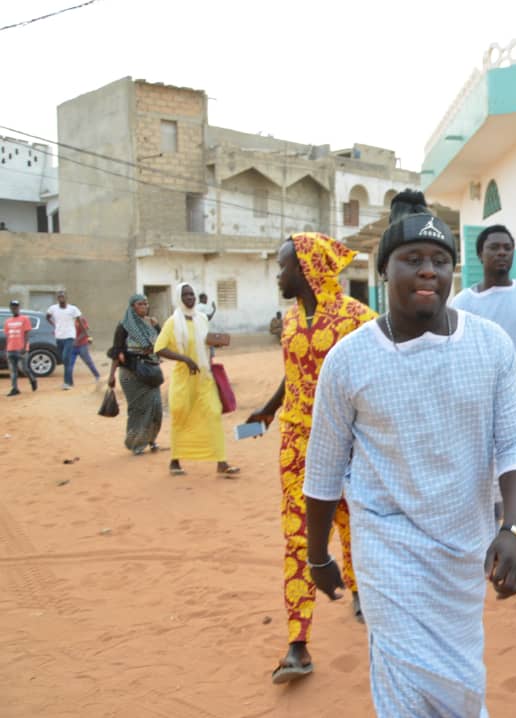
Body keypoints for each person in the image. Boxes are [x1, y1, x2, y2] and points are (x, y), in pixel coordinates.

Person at [303, 190, 516, 715]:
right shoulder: (349, 360)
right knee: (405, 679)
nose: (428, 270)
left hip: (463, 548)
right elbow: (322, 471)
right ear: (384, 270)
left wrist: (514, 529)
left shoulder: (490, 345)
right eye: (412, 259)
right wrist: (318, 555)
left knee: (460, 682)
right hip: (387, 547)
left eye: (440, 261)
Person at [245, 232, 378, 684]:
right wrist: (271, 406)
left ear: (306, 269)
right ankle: (298, 645)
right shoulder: (288, 320)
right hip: (297, 444)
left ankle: (361, 591)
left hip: (350, 443)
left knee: (352, 521)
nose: (278, 274)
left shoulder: (359, 319)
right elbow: (293, 372)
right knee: (299, 537)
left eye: (283, 266)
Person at [451, 223, 516, 587]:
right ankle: (485, 549)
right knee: (481, 483)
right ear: (480, 254)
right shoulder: (461, 304)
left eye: (508, 247)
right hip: (476, 413)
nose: (502, 253)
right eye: (494, 247)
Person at [154, 282, 240, 477]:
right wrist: (184, 359)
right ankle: (175, 461)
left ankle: (221, 462)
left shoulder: (202, 318)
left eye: (191, 295)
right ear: (179, 298)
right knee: (181, 416)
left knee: (213, 413)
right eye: (185, 295)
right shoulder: (172, 322)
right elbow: (159, 347)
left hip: (204, 377)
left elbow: (205, 343)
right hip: (184, 379)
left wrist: (217, 343)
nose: (190, 298)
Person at [106, 294, 164, 455]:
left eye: (146, 303)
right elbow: (117, 352)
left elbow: (162, 343)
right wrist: (111, 376)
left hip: (151, 373)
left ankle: (151, 440)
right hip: (131, 374)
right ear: (133, 307)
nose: (145, 306)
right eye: (140, 304)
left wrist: (158, 326)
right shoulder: (124, 326)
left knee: (156, 408)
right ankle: (136, 444)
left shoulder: (151, 324)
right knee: (138, 409)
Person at [47, 290, 82, 389]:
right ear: (57, 298)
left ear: (66, 298)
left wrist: (83, 335)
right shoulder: (53, 308)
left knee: (66, 358)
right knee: (63, 359)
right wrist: (54, 324)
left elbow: (80, 322)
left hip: (69, 337)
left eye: (62, 296)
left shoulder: (73, 309)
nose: (61, 298)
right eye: (59, 297)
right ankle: (70, 382)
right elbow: (47, 317)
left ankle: (66, 383)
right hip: (59, 337)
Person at [4, 300, 37, 395]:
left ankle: (32, 380)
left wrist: (24, 346)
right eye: (12, 307)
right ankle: (15, 388)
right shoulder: (8, 321)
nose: (14, 309)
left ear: (19, 308)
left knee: (23, 368)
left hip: (21, 349)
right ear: (10, 308)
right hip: (10, 349)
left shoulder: (24, 319)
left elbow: (26, 333)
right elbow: (7, 335)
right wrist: (7, 348)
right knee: (13, 370)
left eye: (16, 307)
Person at [72, 316, 102, 382]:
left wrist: (76, 340)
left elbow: (85, 331)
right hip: (72, 346)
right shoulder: (68, 320)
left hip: (82, 345)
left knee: (88, 362)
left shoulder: (81, 319)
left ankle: (97, 376)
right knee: (70, 363)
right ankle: (68, 381)